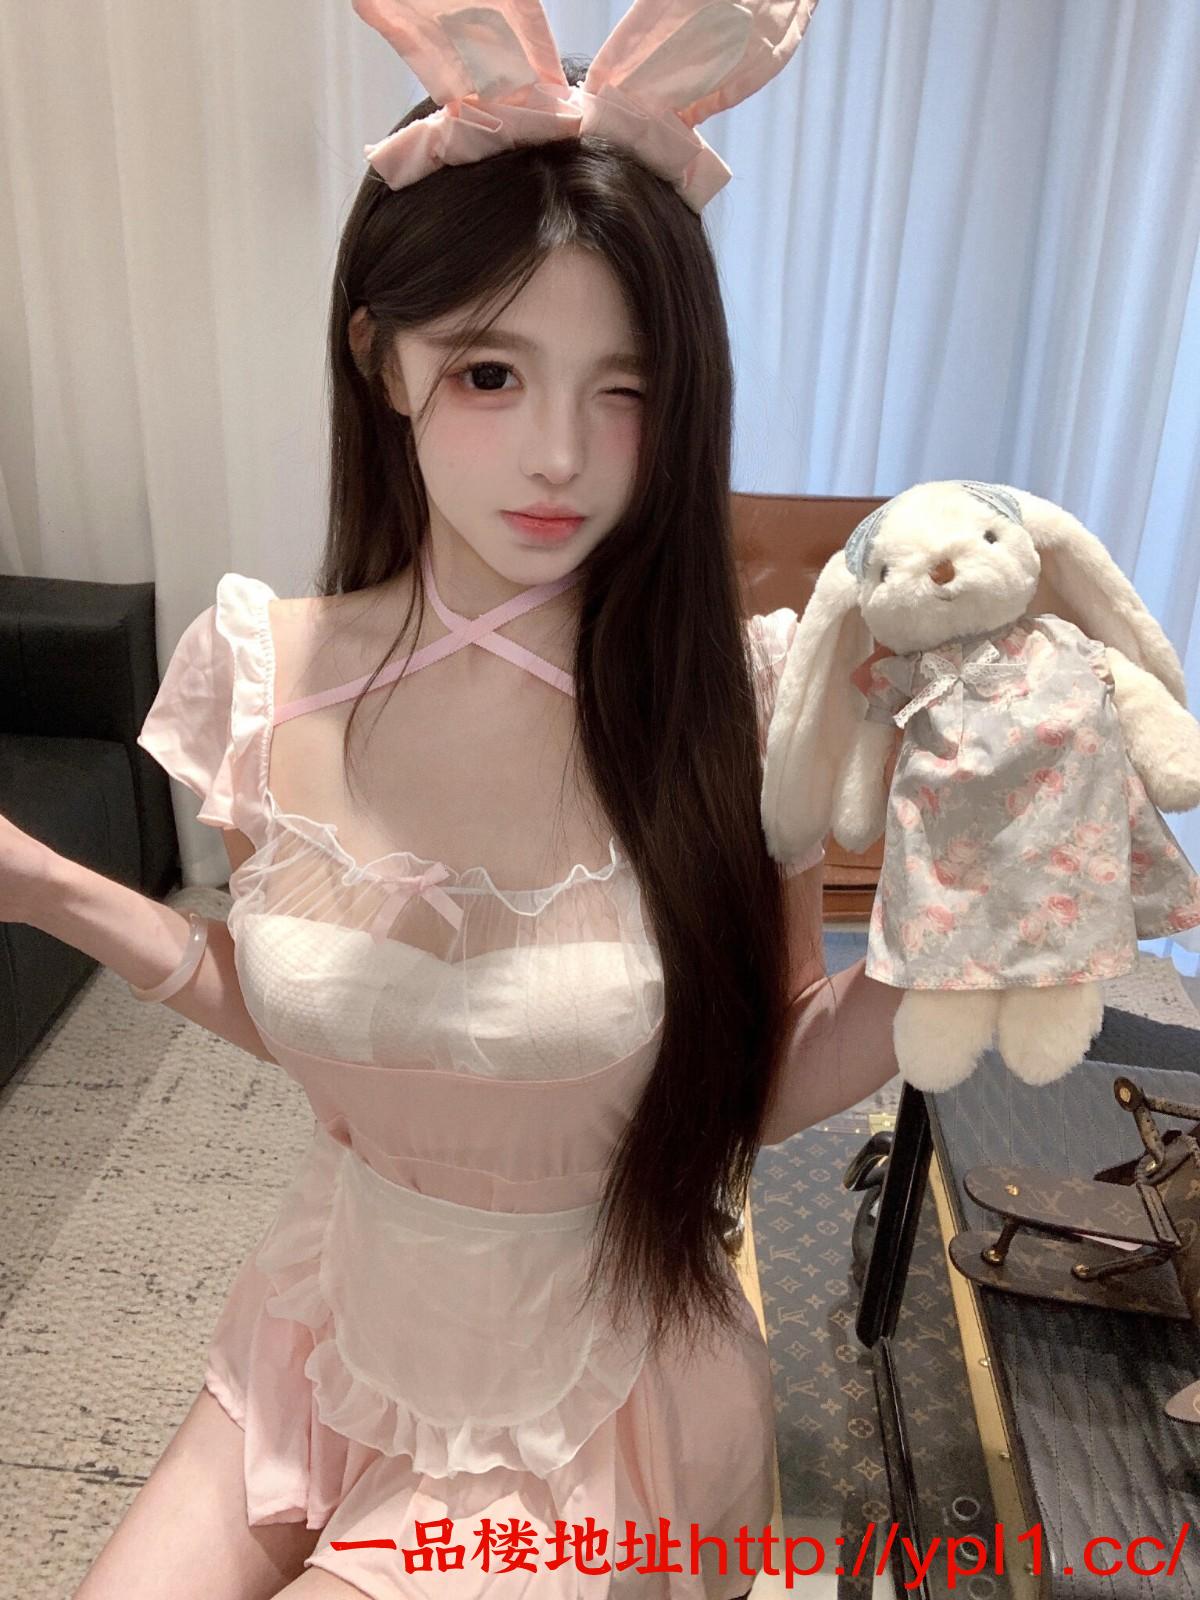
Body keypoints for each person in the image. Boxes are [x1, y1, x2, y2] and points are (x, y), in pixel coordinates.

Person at [2, 3, 904, 1596]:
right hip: (333, 1316)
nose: (560, 455)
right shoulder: (263, 675)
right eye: (492, 371)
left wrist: (961, 944)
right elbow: (325, 1014)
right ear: (383, 359)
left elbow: (755, 1069)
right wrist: (47, 888)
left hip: (594, 1390)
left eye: (624, 389)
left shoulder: (739, 702)